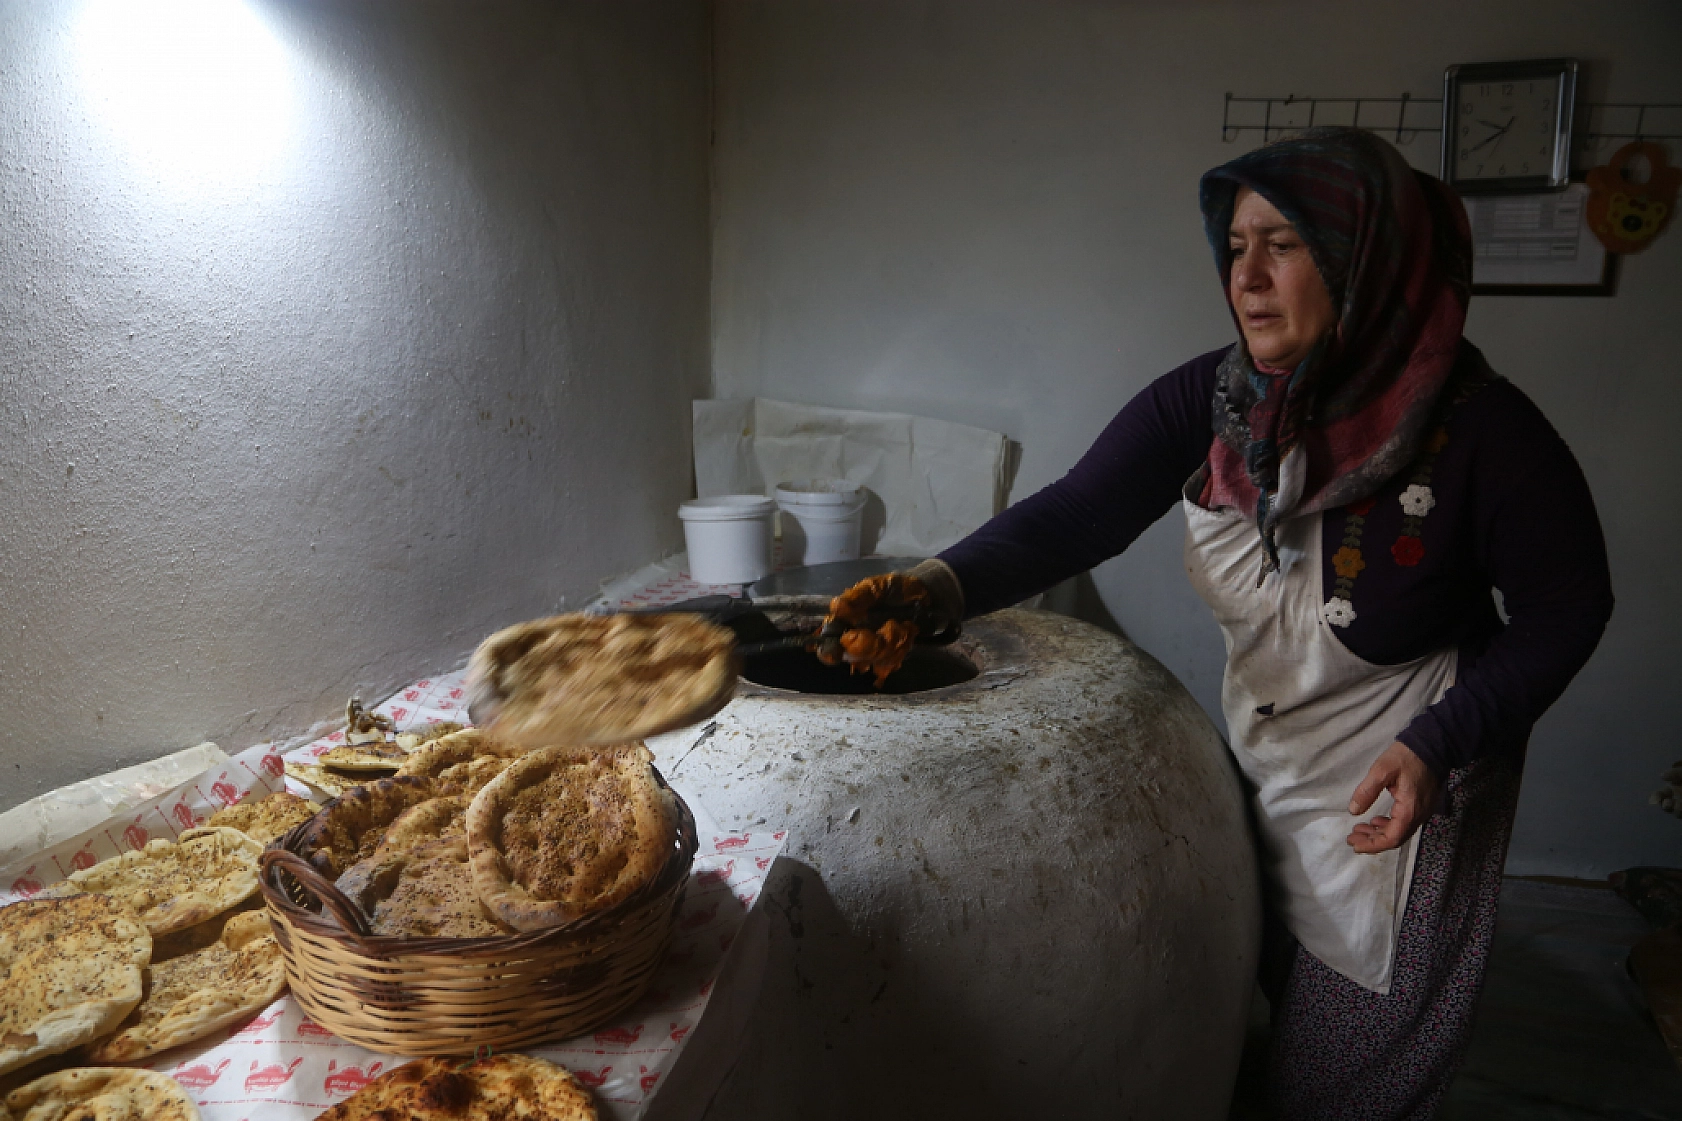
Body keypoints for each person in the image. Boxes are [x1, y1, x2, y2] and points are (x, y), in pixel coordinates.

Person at [836, 127, 1614, 1119]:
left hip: (1407, 796)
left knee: (1341, 1081)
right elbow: (1079, 513)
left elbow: (1566, 608)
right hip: (1270, 765)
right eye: (1234, 243)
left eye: (1283, 244)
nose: (1245, 275)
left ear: (1361, 257)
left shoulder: (1483, 434)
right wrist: (931, 589)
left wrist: (1440, 740)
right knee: (1276, 1011)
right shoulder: (1215, 406)